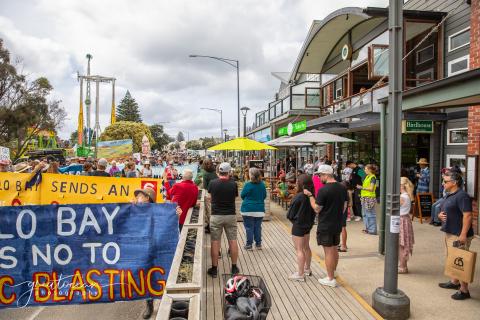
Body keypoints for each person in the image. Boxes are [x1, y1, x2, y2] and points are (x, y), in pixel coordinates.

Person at [304, 165, 347, 288]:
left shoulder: (324, 190)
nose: (319, 177)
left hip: (326, 224)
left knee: (328, 251)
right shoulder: (342, 187)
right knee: (334, 249)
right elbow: (344, 206)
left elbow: (317, 208)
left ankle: (330, 278)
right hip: (337, 223)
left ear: (326, 175)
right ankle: (333, 272)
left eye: (320, 175)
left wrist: (310, 196)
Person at [438, 170, 474, 300]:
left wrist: (463, 235)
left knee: (461, 261)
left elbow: (468, 216)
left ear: (454, 182)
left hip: (459, 234)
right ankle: (454, 282)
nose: (443, 183)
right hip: (450, 231)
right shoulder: (450, 194)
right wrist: (439, 215)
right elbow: (446, 209)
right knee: (452, 258)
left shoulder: (462, 196)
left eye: (445, 181)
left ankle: (464, 290)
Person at [207, 162, 240, 277]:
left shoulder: (212, 183)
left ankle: (214, 269)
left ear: (218, 171)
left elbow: (210, 198)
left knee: (215, 242)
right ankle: (234, 267)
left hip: (216, 216)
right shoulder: (233, 184)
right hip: (230, 215)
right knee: (233, 241)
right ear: (229, 172)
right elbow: (235, 197)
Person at [287, 174, 316, 282]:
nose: (295, 183)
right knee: (306, 247)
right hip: (308, 225)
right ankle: (307, 269)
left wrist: (293, 220)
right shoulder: (311, 196)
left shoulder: (298, 196)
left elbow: (290, 214)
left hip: (298, 225)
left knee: (299, 250)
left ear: (301, 184)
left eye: (297, 182)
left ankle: (300, 274)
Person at [240, 167, 267, 250]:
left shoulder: (247, 184)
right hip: (259, 209)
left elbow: (242, 195)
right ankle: (258, 244)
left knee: (249, 227)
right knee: (257, 227)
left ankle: (249, 245)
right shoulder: (262, 184)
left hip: (247, 209)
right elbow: (264, 196)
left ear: (251, 175)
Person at [398, 177, 415, 274]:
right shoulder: (407, 196)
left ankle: (402, 266)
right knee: (403, 243)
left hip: (401, 220)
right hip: (405, 219)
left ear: (401, 186)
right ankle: (403, 265)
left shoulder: (402, 197)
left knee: (402, 244)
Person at [357, 164, 377, 235]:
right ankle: (367, 229)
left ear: (370, 170)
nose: (364, 170)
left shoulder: (373, 177)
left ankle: (372, 230)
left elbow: (371, 189)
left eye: (365, 169)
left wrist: (361, 187)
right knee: (365, 214)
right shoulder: (367, 177)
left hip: (369, 198)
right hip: (365, 197)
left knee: (370, 214)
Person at [202, 159, 218, 234]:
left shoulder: (205, 174)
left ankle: (210, 227)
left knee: (209, 211)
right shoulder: (215, 171)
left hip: (209, 193)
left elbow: (205, 186)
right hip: (216, 192)